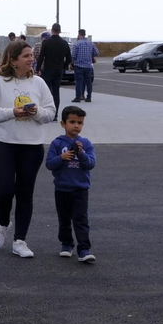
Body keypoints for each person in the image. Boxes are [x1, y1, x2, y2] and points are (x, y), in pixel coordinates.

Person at [0, 40, 57, 259]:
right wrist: (12, 112)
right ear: (13, 61)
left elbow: (51, 113)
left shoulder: (39, 83)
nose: (31, 59)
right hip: (2, 144)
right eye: (26, 56)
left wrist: (37, 112)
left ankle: (20, 241)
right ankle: (3, 223)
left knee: (25, 194)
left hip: (31, 147)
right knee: (4, 191)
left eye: (31, 55)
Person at [45, 105, 97, 263]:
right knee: (64, 218)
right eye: (72, 122)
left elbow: (90, 164)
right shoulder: (57, 143)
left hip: (80, 189)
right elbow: (49, 164)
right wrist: (62, 157)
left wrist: (80, 154)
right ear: (63, 124)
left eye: (80, 123)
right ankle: (66, 244)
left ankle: (84, 249)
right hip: (62, 189)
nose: (76, 126)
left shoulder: (86, 143)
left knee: (80, 219)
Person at [37, 24, 72, 110]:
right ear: (60, 31)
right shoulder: (64, 43)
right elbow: (69, 59)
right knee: (56, 92)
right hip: (58, 70)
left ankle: (47, 110)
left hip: (48, 69)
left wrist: (38, 69)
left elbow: (41, 57)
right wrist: (63, 66)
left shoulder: (46, 43)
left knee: (47, 91)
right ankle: (55, 114)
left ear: (52, 31)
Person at [70, 29, 98, 102]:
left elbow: (73, 55)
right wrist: (90, 56)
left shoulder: (77, 44)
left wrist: (72, 63)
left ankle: (78, 97)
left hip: (78, 65)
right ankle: (89, 97)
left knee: (79, 81)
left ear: (79, 34)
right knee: (88, 82)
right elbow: (96, 52)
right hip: (88, 66)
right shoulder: (91, 43)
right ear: (85, 34)